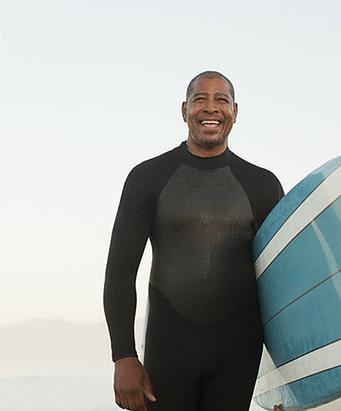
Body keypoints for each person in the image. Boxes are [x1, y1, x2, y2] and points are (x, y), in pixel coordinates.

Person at [103, 71, 284, 411]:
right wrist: (123, 356)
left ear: (235, 111)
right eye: (200, 99)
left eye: (221, 100)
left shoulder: (262, 185)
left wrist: (288, 377)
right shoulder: (148, 177)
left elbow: (283, 281)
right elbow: (120, 269)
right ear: (185, 110)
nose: (211, 108)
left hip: (238, 352)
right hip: (169, 347)